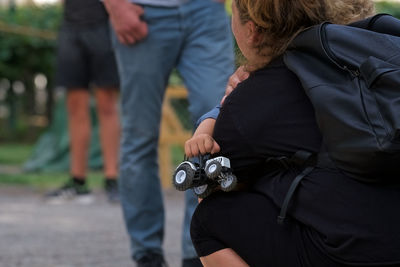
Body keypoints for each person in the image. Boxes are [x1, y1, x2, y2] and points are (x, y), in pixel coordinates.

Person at [188, 0, 400, 266]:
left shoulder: (257, 96)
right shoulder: (370, 47)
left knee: (209, 218)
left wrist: (221, 110)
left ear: (251, 30)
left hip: (354, 253)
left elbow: (210, 182)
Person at [103, 0, 234, 266]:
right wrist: (115, 5)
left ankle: (199, 250)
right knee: (140, 135)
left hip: (206, 11)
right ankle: (147, 253)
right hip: (141, 11)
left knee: (218, 128)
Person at [46, 0, 120, 203]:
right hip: (71, 26)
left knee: (107, 104)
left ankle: (112, 179)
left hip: (104, 23)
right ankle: (78, 181)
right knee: (75, 106)